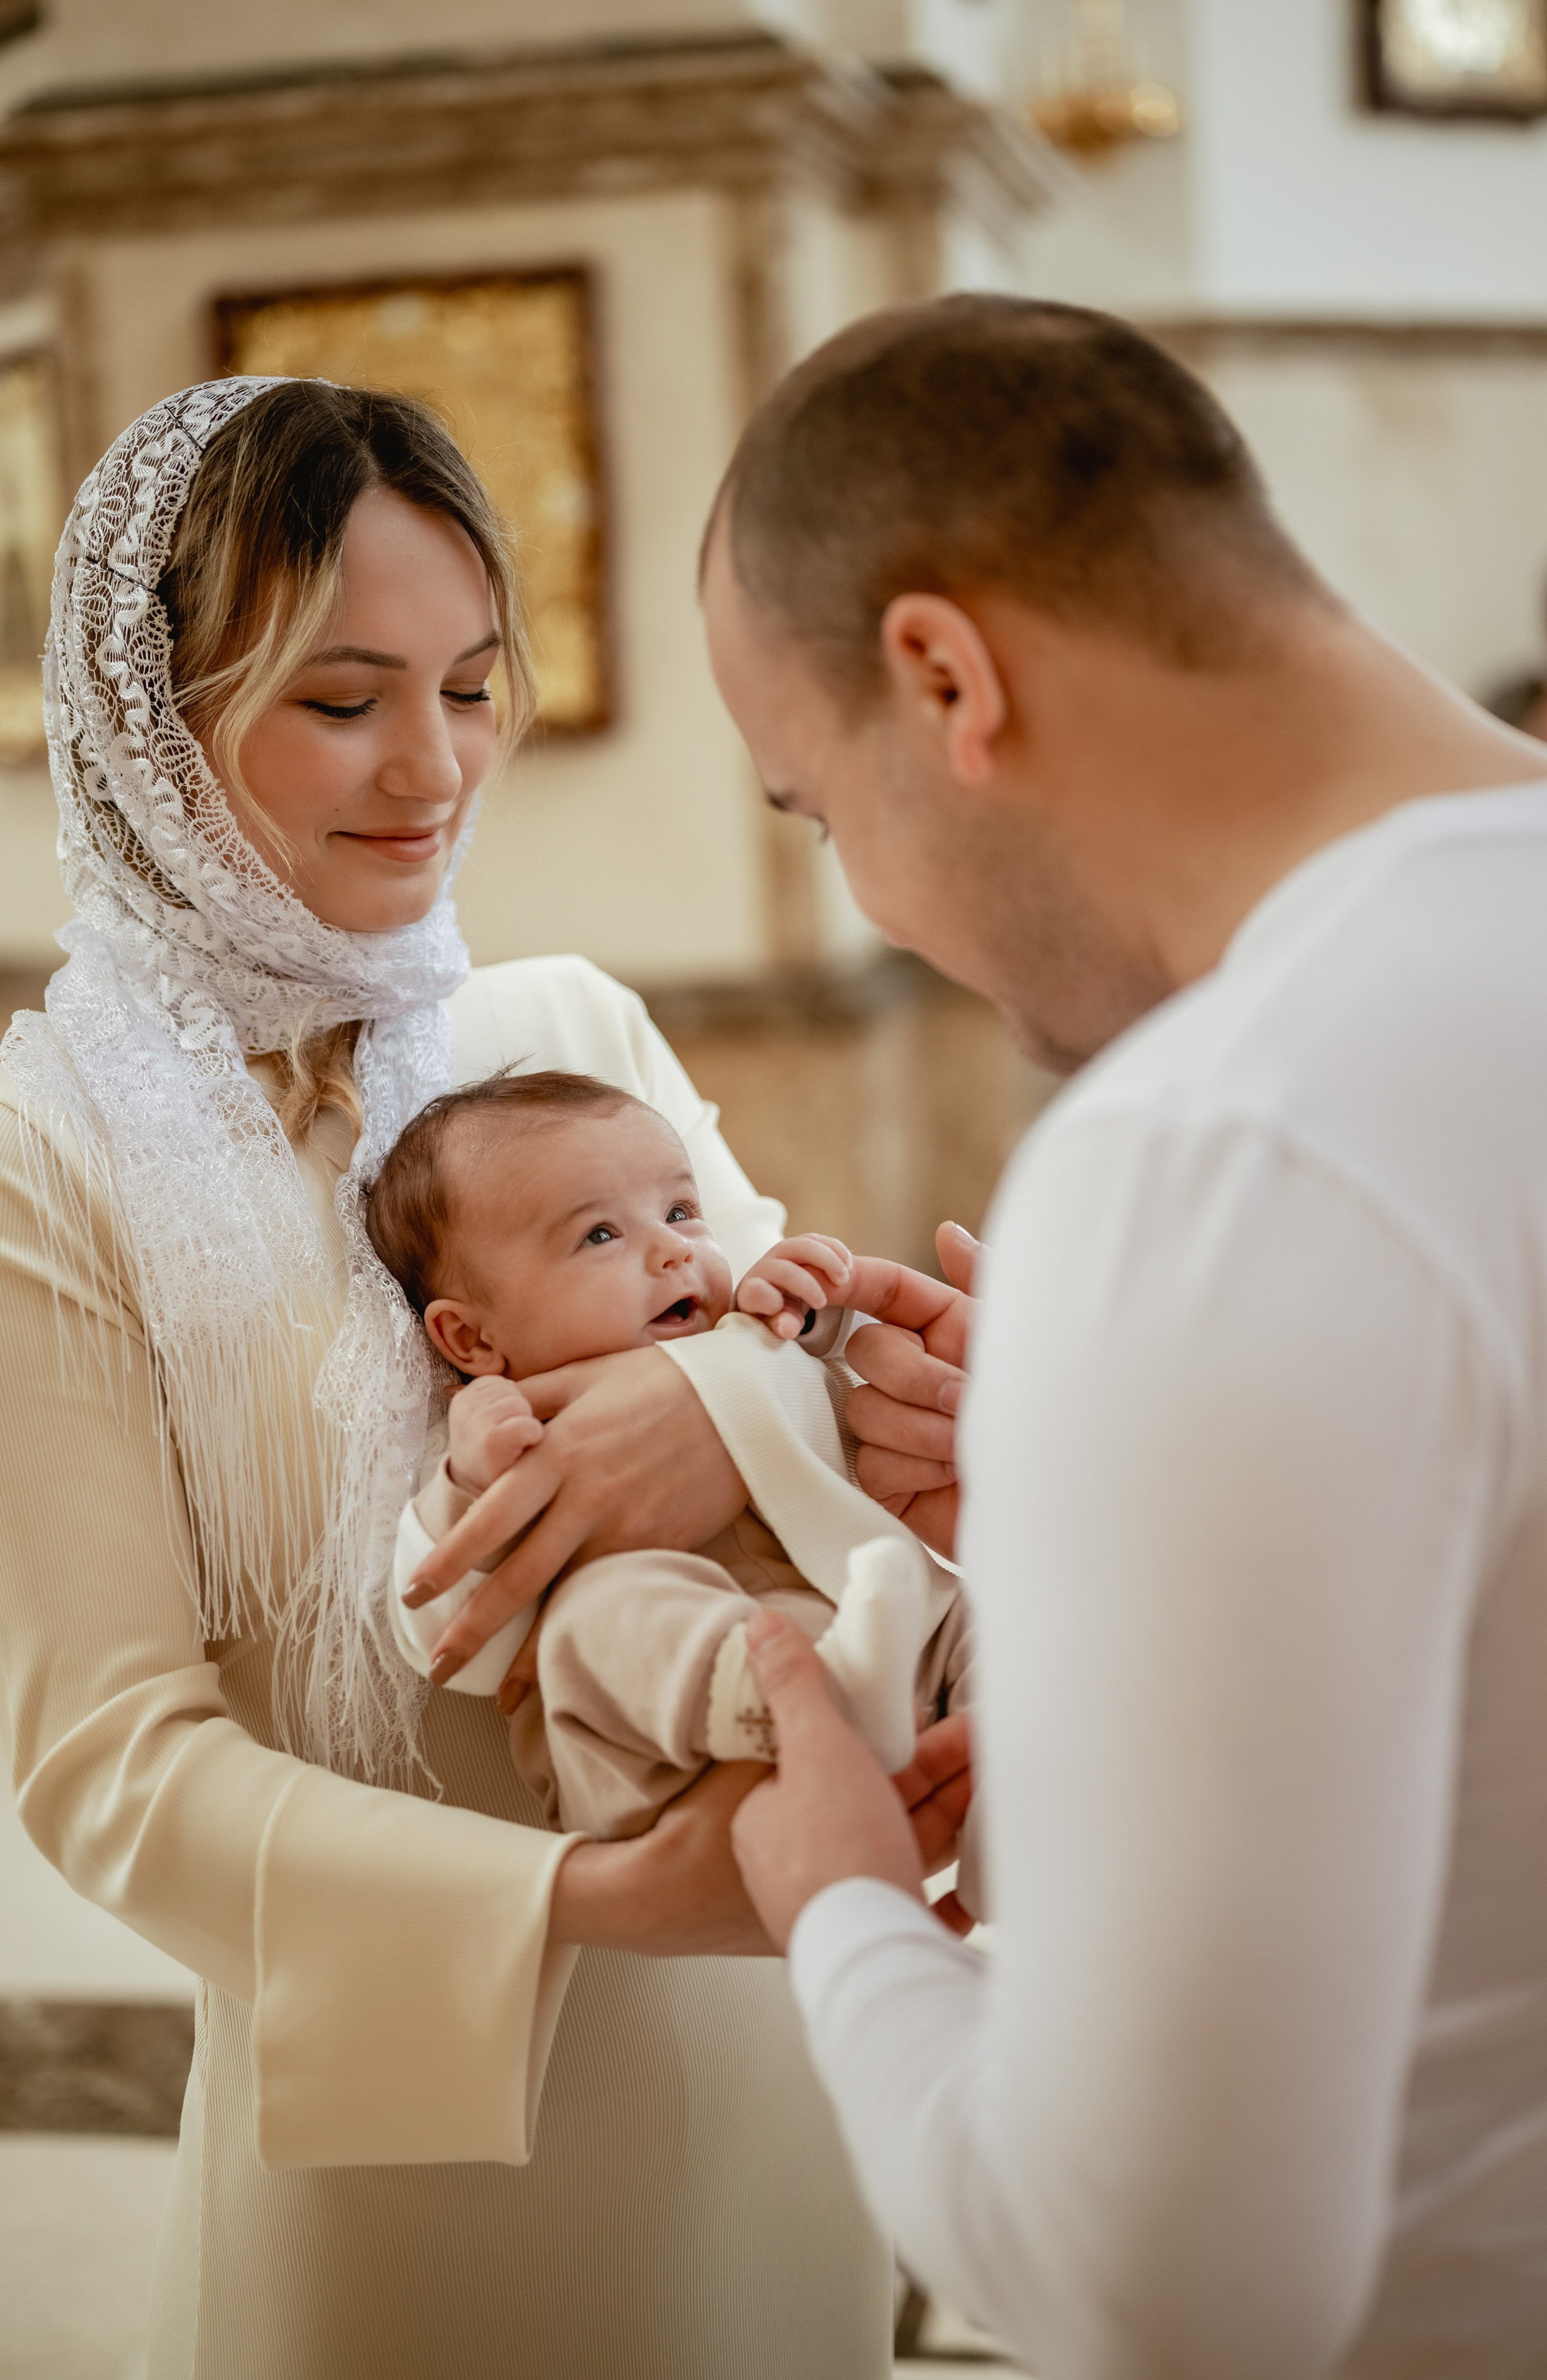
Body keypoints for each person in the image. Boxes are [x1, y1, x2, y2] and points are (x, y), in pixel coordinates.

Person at [0, 377, 966, 2379]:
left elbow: (772, 1390)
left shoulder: (562, 1021)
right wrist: (598, 1897)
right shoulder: (25, 1162)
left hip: (777, 1998)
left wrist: (839, 1400)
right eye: (342, 698)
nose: (432, 766)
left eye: (476, 685)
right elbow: (113, 1768)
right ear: (151, 722)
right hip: (428, 2090)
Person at [697, 295, 1547, 2379]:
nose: (878, 902)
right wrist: (1138, 1517)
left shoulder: (1215, 1153)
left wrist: (842, 1903)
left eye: (816, 809)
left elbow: (1164, 2282)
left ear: (944, 676)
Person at [365, 1064, 972, 1839]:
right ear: (474, 1337)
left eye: (682, 1211)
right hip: (675, 1763)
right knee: (599, 1617)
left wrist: (815, 1315)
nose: (671, 1251)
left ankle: (1006, 1793)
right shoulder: (506, 1431)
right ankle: (805, 1702)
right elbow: (449, 1644)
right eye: (599, 1234)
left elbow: (858, 1420)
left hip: (893, 1645)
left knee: (984, 1620)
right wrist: (467, 1482)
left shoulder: (745, 1339)